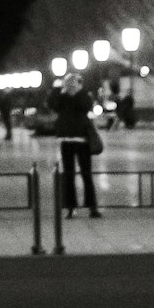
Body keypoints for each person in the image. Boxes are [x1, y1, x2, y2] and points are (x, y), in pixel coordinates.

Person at [51, 85, 104, 215]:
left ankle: (85, 207)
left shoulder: (81, 95)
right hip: (71, 139)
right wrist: (59, 90)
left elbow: (86, 106)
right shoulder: (63, 96)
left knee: (82, 174)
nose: (71, 85)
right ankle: (77, 207)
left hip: (78, 140)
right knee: (74, 175)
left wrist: (77, 91)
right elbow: (53, 105)